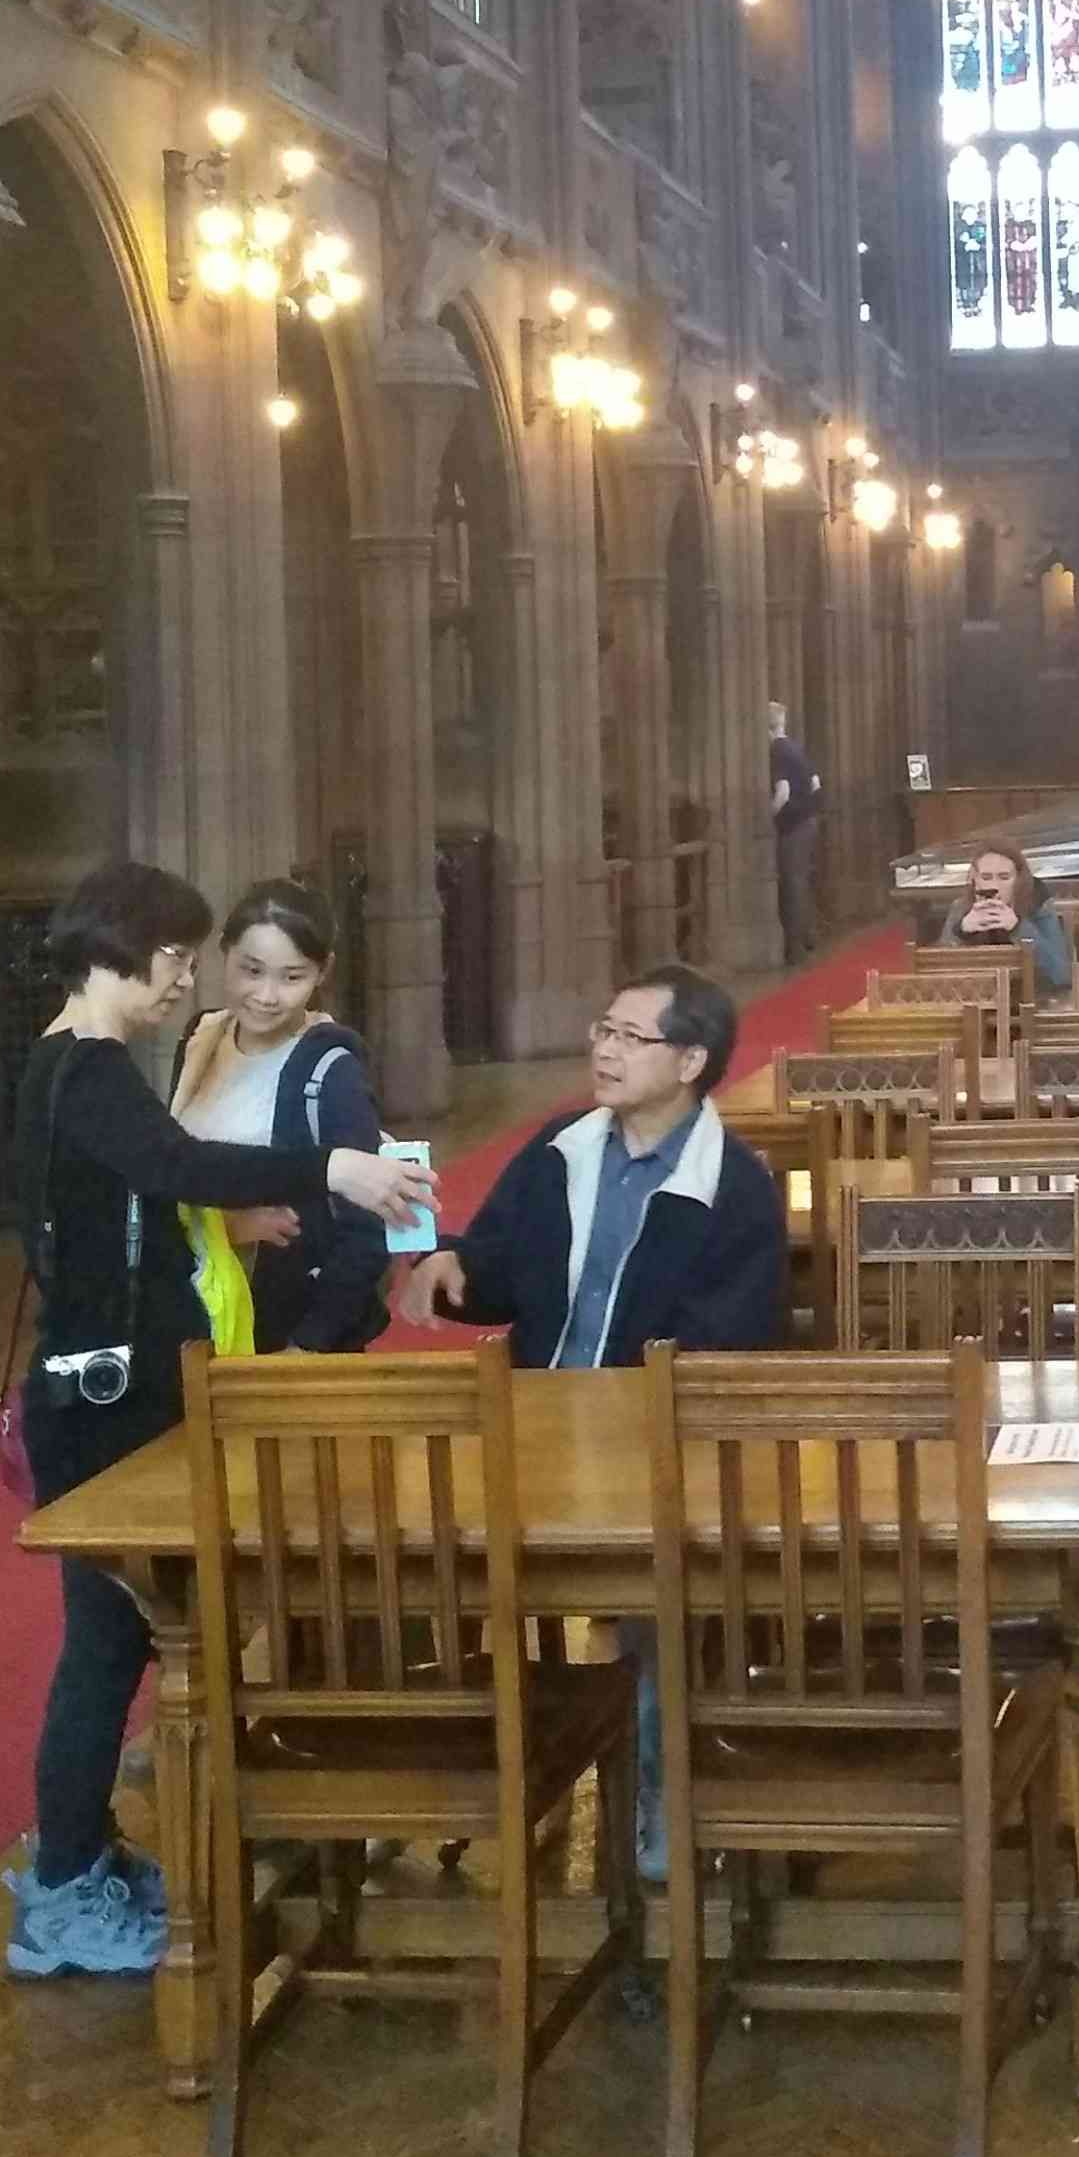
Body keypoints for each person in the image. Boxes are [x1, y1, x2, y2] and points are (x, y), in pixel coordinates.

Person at [5, 860, 433, 1983]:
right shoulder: (90, 1067)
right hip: (102, 1407)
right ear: (139, 952)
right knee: (104, 1649)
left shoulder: (67, 1063)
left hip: (103, 1385)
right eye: (184, 957)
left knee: (123, 1640)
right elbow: (176, 1160)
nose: (189, 978)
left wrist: (231, 1215)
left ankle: (82, 1856)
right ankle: (60, 1891)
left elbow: (141, 1195)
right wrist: (331, 1162)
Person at [396, 964, 786, 1875]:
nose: (605, 1051)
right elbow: (497, 1264)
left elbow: (727, 1344)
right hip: (531, 1429)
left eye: (630, 1037)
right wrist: (451, 1267)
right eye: (601, 1031)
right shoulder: (558, 1151)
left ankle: (658, 1802)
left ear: (691, 1060)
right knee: (411, 1547)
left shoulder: (733, 1187)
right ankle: (425, 1773)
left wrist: (621, 1420)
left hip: (651, 1445)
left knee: (663, 1604)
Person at [168, 876, 390, 1352]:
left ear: (321, 971)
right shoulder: (200, 1040)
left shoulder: (330, 1071)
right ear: (223, 952)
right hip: (198, 1322)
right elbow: (175, 1175)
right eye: (251, 970)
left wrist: (308, 1346)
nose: (267, 996)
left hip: (281, 1331)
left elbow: (367, 1234)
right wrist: (230, 1228)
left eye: (292, 978)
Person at [940, 842, 1075, 996]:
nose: (994, 886)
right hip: (976, 998)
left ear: (1018, 880)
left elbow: (1061, 975)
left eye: (1004, 878)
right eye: (986, 877)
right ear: (974, 880)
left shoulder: (1037, 904)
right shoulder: (962, 907)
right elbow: (938, 973)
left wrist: (1018, 928)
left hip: (1032, 999)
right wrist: (961, 931)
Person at [766, 700, 820, 964]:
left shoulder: (776, 750)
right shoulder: (796, 747)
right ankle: (808, 936)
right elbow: (815, 782)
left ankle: (795, 947)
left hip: (793, 825)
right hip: (809, 821)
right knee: (801, 881)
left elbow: (783, 792)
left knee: (792, 884)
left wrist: (768, 816)